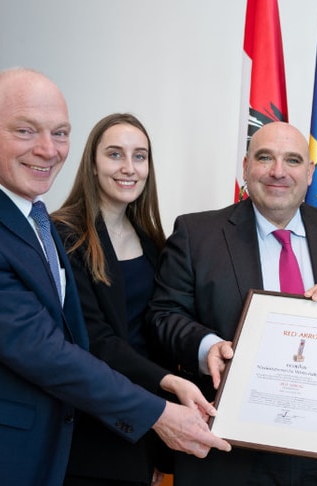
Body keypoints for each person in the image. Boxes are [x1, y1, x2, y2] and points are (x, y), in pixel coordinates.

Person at [0, 68, 230, 486]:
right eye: (25, 130)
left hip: (52, 447)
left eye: (60, 133)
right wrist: (159, 412)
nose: (47, 149)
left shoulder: (29, 213)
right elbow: (48, 351)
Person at [147, 121, 317, 485]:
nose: (278, 172)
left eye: (292, 160)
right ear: (245, 167)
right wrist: (208, 346)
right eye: (265, 158)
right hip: (227, 448)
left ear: (309, 173)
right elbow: (163, 314)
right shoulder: (196, 234)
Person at [53, 113, 215, 486]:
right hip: (91, 428)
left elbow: (159, 337)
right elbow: (93, 338)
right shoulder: (65, 236)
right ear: (92, 166)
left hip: (145, 426)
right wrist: (168, 384)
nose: (129, 168)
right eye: (115, 154)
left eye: (139, 156)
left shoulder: (153, 241)